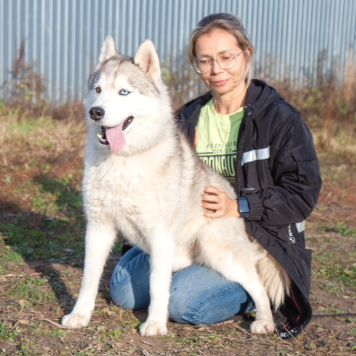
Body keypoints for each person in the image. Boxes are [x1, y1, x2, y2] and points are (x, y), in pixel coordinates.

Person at [110, 13, 322, 338]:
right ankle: (199, 275)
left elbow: (302, 193)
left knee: (183, 303)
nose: (216, 70)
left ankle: (252, 291)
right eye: (205, 60)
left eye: (226, 57)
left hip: (253, 236)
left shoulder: (279, 119)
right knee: (123, 289)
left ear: (246, 55)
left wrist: (240, 206)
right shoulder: (186, 118)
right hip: (185, 231)